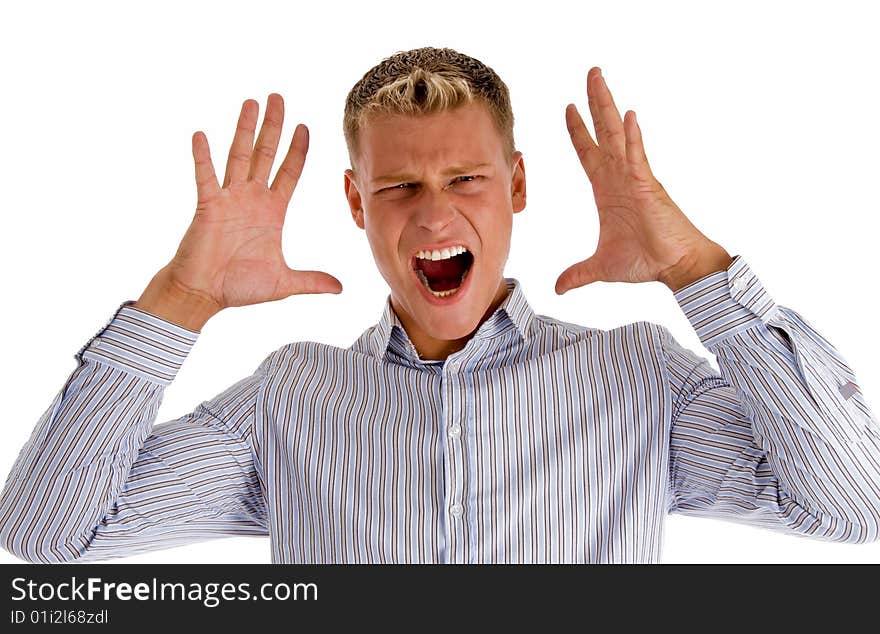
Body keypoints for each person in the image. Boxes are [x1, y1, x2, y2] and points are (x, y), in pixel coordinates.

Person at [1, 47, 878, 564]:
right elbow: (45, 535)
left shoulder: (636, 376)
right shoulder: (291, 397)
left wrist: (695, 268)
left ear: (518, 185)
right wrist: (181, 300)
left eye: (465, 179)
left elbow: (853, 505)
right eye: (397, 186)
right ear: (354, 202)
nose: (432, 212)